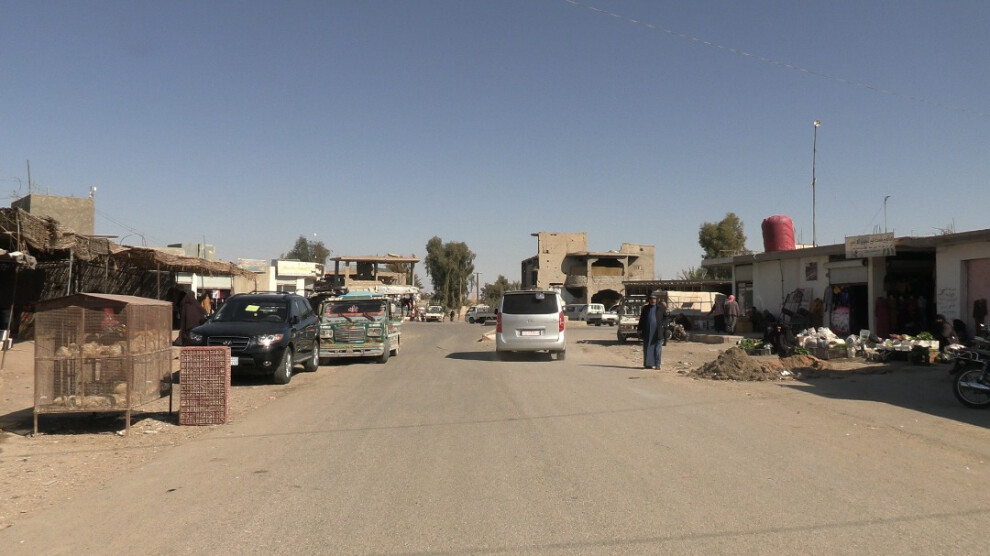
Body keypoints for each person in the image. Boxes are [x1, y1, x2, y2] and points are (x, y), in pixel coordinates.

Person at [637, 291, 667, 370]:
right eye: (651, 299)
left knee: (657, 349)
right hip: (647, 331)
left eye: (654, 299)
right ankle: (648, 364)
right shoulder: (645, 309)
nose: (653, 300)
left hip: (657, 332)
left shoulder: (660, 308)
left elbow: (666, 317)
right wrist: (639, 329)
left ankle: (657, 364)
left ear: (656, 300)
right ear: (649, 300)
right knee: (647, 348)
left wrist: (663, 324)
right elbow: (642, 319)